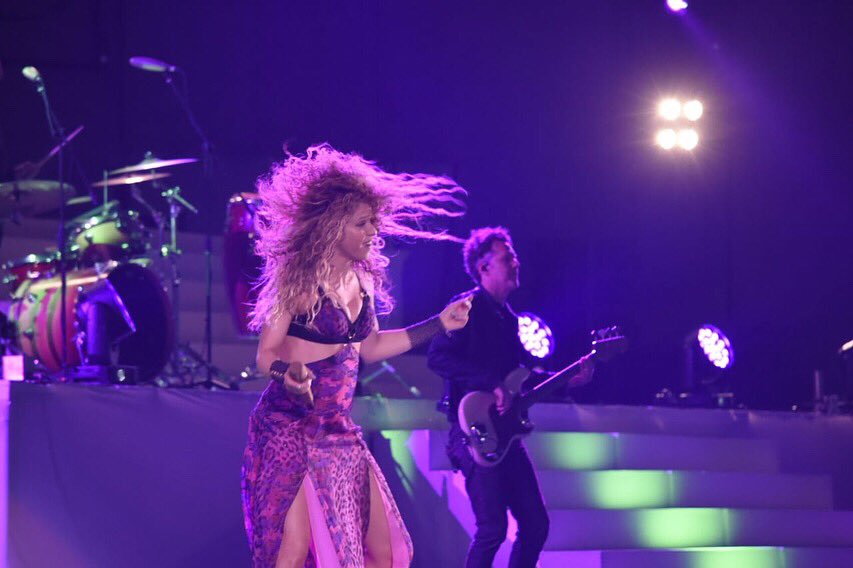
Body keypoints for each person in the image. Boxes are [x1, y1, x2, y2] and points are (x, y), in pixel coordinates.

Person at [241, 144, 473, 568]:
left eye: (374, 223)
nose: (373, 232)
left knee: (383, 551)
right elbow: (265, 355)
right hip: (288, 428)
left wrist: (439, 324)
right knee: (290, 553)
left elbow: (371, 347)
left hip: (337, 431)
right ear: (333, 226)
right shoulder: (296, 281)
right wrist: (285, 373)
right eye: (363, 223)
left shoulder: (361, 283)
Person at [427, 227, 593, 568]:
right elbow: (437, 357)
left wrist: (567, 380)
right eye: (507, 257)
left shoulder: (510, 320)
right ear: (484, 267)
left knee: (535, 525)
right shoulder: (465, 308)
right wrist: (489, 382)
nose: (516, 262)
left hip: (505, 433)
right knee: (492, 529)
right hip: (470, 430)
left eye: (514, 256)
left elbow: (521, 377)